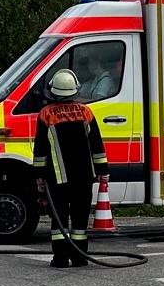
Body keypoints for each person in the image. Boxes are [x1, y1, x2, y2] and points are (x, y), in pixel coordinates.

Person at [30, 69, 108, 268]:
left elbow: (40, 150)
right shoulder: (85, 112)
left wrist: (39, 176)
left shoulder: (46, 114)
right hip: (84, 177)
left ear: (53, 91)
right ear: (74, 90)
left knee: (59, 221)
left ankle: (61, 259)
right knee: (80, 220)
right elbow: (96, 145)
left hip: (58, 178)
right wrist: (102, 171)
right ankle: (80, 258)